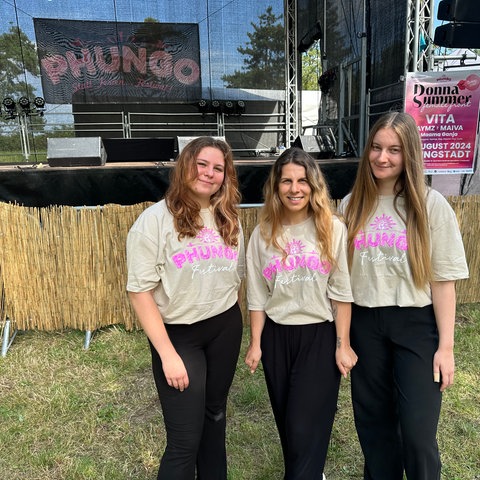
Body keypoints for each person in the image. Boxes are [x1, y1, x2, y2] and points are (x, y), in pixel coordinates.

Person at [339, 112, 469, 480]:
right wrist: (342, 339)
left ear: (409, 154)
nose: (382, 157)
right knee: (375, 427)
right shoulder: (350, 206)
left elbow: (444, 281)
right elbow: (339, 281)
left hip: (416, 323)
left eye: (394, 150)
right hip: (365, 323)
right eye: (377, 148)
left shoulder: (430, 205)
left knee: (417, 431)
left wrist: (446, 347)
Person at [126, 136, 244, 480]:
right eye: (201, 164)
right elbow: (140, 291)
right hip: (179, 337)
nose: (209, 173)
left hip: (224, 327)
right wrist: (167, 353)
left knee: (215, 416)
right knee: (185, 439)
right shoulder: (154, 222)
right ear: (185, 166)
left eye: (218, 168)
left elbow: (235, 277)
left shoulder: (228, 217)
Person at [245, 147, 358, 480]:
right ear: (275, 187)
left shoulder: (332, 229)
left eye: (302, 181)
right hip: (277, 335)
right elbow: (257, 294)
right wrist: (255, 342)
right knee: (287, 422)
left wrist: (343, 343)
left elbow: (341, 291)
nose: (295, 189)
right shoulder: (263, 234)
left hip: (319, 335)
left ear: (314, 185)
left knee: (303, 421)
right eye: (287, 181)